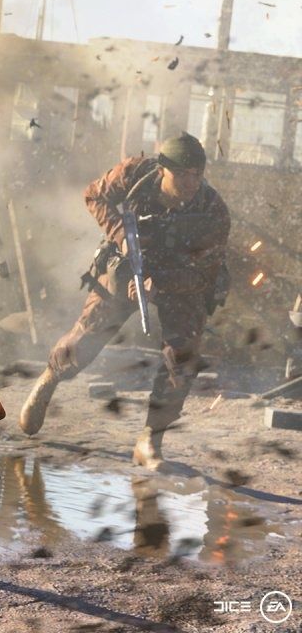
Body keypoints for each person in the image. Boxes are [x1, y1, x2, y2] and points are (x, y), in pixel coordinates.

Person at [19, 133, 230, 470]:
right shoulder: (135, 174)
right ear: (163, 169)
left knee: (183, 355)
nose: (191, 183)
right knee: (88, 334)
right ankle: (50, 379)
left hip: (180, 280)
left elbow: (204, 276)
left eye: (197, 175)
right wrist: (121, 236)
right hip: (128, 265)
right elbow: (94, 195)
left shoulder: (213, 211)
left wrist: (159, 285)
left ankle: (150, 439)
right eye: (183, 175)